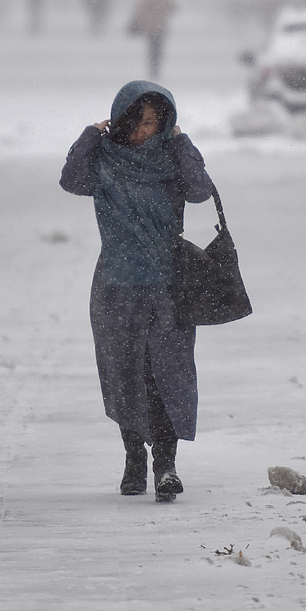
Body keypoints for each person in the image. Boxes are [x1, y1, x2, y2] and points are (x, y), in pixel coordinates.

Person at [59, 80, 214, 502]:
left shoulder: (170, 161)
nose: (145, 131)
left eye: (154, 123)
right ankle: (133, 459)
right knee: (125, 376)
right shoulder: (105, 162)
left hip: (167, 288)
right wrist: (91, 134)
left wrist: (182, 142)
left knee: (169, 377)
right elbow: (71, 180)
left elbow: (201, 190)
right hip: (116, 286)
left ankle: (166, 465)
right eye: (138, 121)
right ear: (122, 119)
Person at [128, 0, 177, 79]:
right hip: (160, 27)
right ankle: (155, 68)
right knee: (157, 49)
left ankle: (153, 68)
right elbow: (174, 7)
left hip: (150, 27)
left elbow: (140, 9)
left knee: (152, 48)